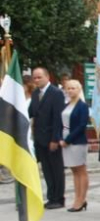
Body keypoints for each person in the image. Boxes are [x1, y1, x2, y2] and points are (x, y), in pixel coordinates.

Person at [28, 67, 66, 208]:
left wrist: (55, 139)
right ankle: (51, 197)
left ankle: (59, 198)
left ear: (47, 77)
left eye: (39, 77)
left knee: (56, 169)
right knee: (47, 169)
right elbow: (31, 112)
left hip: (51, 137)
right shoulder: (36, 93)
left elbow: (58, 118)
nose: (37, 80)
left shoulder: (56, 93)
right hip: (39, 138)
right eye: (35, 78)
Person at [59, 80, 89, 211]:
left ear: (79, 89)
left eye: (73, 88)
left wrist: (68, 140)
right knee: (73, 170)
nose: (70, 90)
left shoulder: (82, 106)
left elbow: (82, 126)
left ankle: (81, 199)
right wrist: (60, 138)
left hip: (77, 141)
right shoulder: (66, 105)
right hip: (64, 139)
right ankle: (77, 197)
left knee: (80, 170)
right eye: (68, 88)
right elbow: (61, 123)